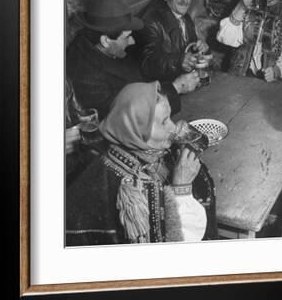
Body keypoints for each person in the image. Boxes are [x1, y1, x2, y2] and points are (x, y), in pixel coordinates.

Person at [66, 82, 217, 245]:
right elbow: (168, 252)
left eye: (170, 117)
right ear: (137, 131)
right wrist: (181, 187)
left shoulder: (145, 150)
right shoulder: (130, 190)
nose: (173, 127)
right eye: (164, 122)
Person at [66, 0, 199, 120]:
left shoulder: (106, 46)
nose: (132, 41)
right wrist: (175, 88)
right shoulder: (84, 74)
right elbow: (125, 118)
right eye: (127, 37)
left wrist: (180, 62)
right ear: (105, 40)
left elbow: (145, 73)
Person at [133, 0, 208, 82]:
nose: (185, 0)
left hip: (184, 82)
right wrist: (179, 61)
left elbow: (186, 50)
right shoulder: (150, 20)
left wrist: (199, 48)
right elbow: (147, 63)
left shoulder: (185, 17)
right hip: (161, 89)